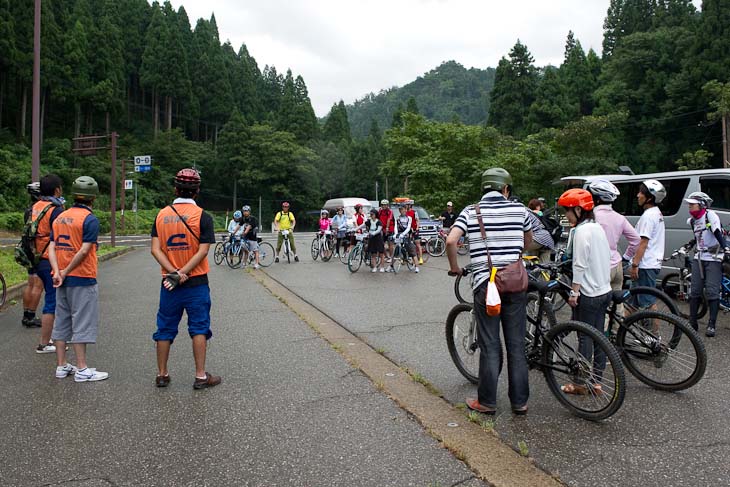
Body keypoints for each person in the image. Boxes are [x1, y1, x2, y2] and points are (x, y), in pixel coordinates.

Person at [446, 167, 532, 416]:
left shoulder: (471, 211)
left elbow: (451, 241)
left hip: (487, 284)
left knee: (490, 344)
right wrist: (515, 254)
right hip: (516, 282)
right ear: (505, 189)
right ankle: (520, 402)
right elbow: (528, 240)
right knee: (516, 344)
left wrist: (454, 268)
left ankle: (487, 402)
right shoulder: (520, 209)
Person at [151, 168, 220, 389]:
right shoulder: (203, 216)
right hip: (196, 282)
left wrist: (174, 272)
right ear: (197, 190)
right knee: (199, 327)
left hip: (169, 283)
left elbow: (155, 250)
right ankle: (200, 376)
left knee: (165, 327)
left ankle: (162, 374)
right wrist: (185, 272)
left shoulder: (161, 214)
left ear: (175, 188)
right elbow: (202, 251)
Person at [48, 176, 107, 382]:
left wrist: (57, 271)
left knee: (62, 320)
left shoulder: (60, 217)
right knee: (82, 321)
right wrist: (66, 271)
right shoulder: (89, 220)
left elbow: (52, 246)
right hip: (82, 277)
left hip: (61, 278)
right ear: (93, 198)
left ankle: (61, 365)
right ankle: (82, 369)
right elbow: (83, 251)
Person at [557, 189, 612, 395]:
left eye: (568, 211)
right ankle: (597, 381)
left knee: (585, 338)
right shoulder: (597, 228)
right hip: (603, 290)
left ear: (579, 210)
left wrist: (574, 292)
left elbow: (579, 264)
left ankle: (580, 383)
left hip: (587, 293)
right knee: (599, 336)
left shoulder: (580, 232)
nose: (567, 215)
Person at [681, 192, 730, 337]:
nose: (690, 207)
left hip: (714, 257)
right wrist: (690, 245)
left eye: (692, 204)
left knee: (712, 291)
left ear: (701, 204)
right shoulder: (692, 221)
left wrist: (726, 249)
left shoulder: (710, 215)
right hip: (699, 257)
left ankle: (712, 324)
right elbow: (698, 237)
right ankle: (693, 322)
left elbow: (716, 232)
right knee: (695, 291)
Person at [588, 179, 640, 309]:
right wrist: (626, 258)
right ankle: (619, 328)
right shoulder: (619, 218)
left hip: (600, 267)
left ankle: (601, 330)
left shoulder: (591, 217)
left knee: (601, 308)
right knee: (617, 305)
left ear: (596, 199)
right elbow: (636, 240)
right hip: (617, 265)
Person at [29, 175, 65, 354]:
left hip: (37, 256)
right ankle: (44, 343)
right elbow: (61, 236)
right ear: (57, 190)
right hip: (49, 258)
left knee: (51, 297)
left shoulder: (35, 207)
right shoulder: (55, 209)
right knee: (52, 301)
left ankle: (50, 338)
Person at [626, 179, 666, 310]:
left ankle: (653, 331)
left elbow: (643, 242)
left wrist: (635, 265)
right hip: (649, 263)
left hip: (645, 265)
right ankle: (621, 329)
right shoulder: (656, 213)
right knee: (632, 303)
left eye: (641, 193)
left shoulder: (648, 216)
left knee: (648, 303)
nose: (638, 195)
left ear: (649, 198)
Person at [21, 182, 44, 328]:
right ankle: (31, 315)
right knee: (38, 284)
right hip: (37, 250)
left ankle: (26, 315)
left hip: (27, 249)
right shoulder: (40, 210)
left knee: (30, 283)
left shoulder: (28, 210)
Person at [394, 205, 418, 273]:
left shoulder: (409, 218)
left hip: (407, 235)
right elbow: (396, 227)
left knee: (412, 251)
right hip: (400, 235)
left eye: (404, 209)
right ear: (399, 211)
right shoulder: (397, 218)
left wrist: (403, 234)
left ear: (406, 210)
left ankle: (416, 267)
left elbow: (408, 228)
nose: (403, 211)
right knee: (396, 250)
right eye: (401, 210)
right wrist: (396, 234)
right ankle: (391, 265)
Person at [405, 200, 423, 265]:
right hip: (409, 230)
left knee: (417, 244)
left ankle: (420, 258)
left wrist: (417, 228)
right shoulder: (405, 213)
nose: (406, 206)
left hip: (415, 229)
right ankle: (410, 258)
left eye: (407, 205)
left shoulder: (414, 212)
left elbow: (417, 220)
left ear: (410, 205)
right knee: (408, 244)